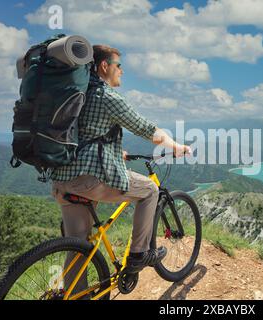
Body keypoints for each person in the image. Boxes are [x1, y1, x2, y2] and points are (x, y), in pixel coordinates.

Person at [51, 45, 191, 290]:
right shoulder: (106, 96)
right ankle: (139, 254)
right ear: (104, 66)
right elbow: (145, 128)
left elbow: (85, 133)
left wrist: (115, 152)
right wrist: (175, 146)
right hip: (90, 179)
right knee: (149, 189)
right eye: (118, 65)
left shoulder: (76, 93)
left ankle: (76, 295)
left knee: (77, 246)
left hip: (62, 179)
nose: (122, 71)